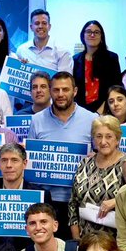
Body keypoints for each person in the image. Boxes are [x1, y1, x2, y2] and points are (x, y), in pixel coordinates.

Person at [30, 72, 99, 232]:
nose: (60, 94)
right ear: (50, 91)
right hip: (47, 200)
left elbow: (100, 153)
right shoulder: (37, 119)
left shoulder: (92, 119)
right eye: (56, 90)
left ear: (74, 91)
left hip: (80, 200)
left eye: (65, 90)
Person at [68, 115, 125, 240]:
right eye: (99, 136)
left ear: (117, 139)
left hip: (116, 242)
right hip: (85, 240)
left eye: (109, 136)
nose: (103, 142)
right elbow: (73, 203)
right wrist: (77, 239)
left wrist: (116, 201)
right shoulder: (85, 164)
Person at [71, 20, 121, 113]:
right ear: (83, 35)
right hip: (80, 110)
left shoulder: (111, 58)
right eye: (89, 32)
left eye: (96, 32)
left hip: (104, 110)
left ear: (101, 36)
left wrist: (103, 108)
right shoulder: (75, 60)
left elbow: (116, 86)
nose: (92, 35)